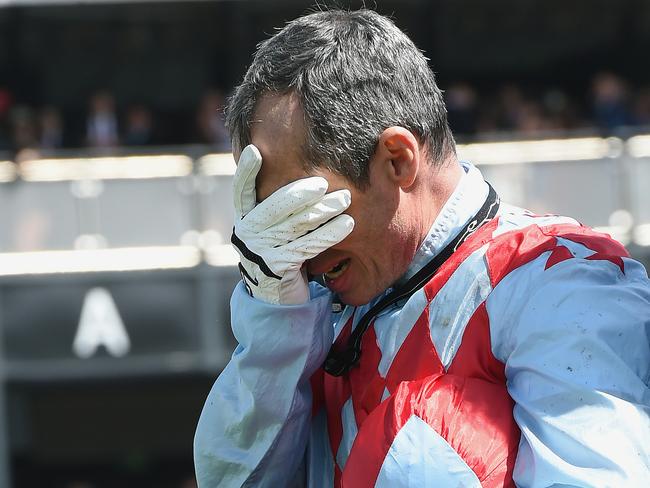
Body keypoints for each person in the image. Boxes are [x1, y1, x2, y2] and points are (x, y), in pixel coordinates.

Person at [194, 9, 650, 487]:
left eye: (300, 207)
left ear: (397, 159)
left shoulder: (560, 280)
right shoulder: (312, 309)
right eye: (269, 217)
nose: (292, 250)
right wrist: (273, 323)